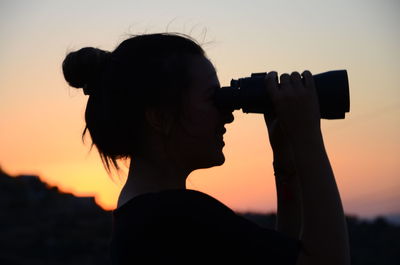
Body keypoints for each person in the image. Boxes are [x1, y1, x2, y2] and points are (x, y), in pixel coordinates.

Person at [62, 33, 350, 264]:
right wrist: (307, 136)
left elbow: (289, 254)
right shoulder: (176, 217)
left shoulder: (141, 216)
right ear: (160, 118)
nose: (228, 114)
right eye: (215, 98)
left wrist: (286, 160)